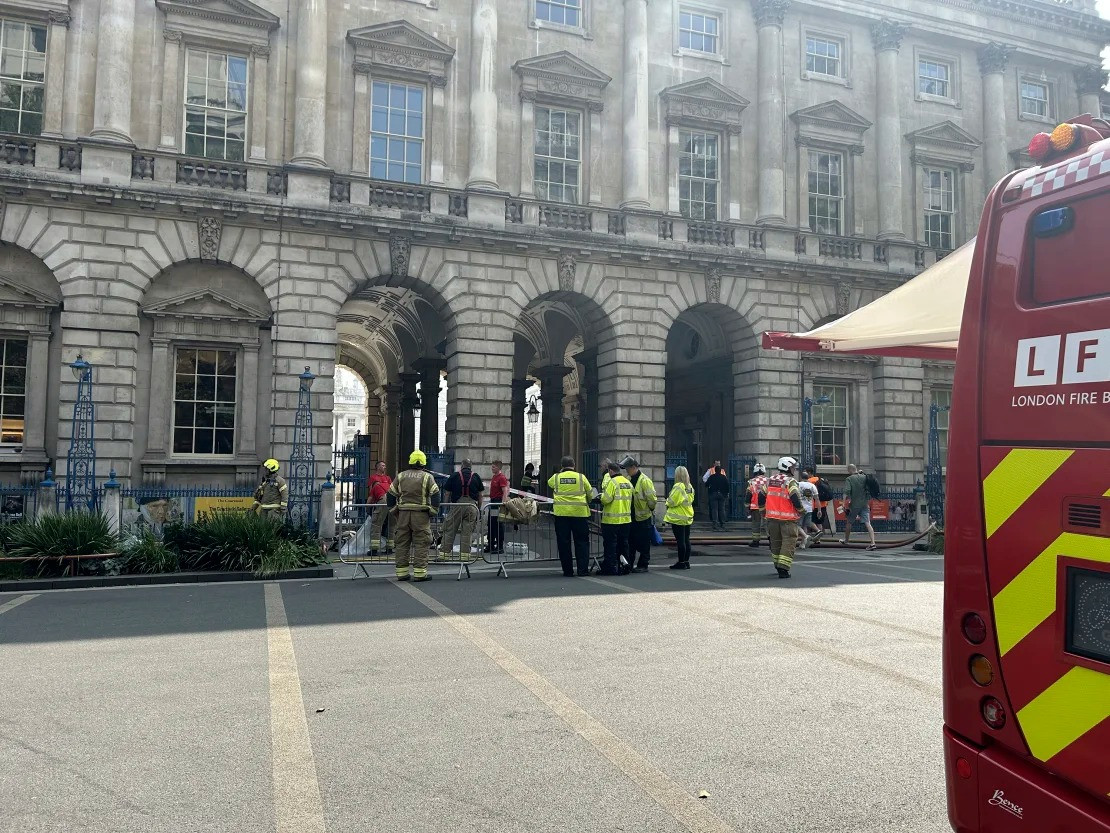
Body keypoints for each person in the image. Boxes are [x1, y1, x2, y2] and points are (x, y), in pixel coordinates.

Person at [386, 450, 441, 581]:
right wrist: (433, 511)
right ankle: (420, 573)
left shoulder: (401, 476)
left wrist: (394, 511)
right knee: (421, 543)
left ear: (410, 461)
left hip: (403, 514)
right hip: (420, 515)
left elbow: (390, 494)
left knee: (402, 543)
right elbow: (435, 494)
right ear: (423, 463)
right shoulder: (427, 477)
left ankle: (402, 573)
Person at [547, 456, 594, 577]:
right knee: (582, 542)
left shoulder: (556, 477)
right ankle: (582, 570)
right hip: (579, 514)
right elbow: (590, 493)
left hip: (562, 515)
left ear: (562, 466)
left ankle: (567, 571)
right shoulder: (581, 477)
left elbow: (549, 484)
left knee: (564, 543)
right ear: (574, 465)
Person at [763, 456, 805, 579]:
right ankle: (783, 569)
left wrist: (762, 511)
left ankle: (777, 565)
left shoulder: (770, 480)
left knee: (775, 543)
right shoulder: (790, 482)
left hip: (771, 518)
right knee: (788, 542)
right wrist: (801, 510)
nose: (794, 470)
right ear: (787, 467)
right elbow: (795, 498)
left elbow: (761, 495)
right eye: (793, 467)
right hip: (787, 520)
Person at [440, 458, 484, 559]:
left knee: (450, 528)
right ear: (470, 466)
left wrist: (446, 506)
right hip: (472, 506)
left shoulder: (455, 476)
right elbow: (480, 495)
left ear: (462, 465)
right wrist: (478, 508)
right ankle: (464, 556)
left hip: (457, 506)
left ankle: (444, 554)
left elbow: (447, 493)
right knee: (467, 531)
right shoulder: (476, 476)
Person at [622, 456, 658, 573]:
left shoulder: (644, 481)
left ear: (633, 467)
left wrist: (650, 509)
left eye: (627, 468)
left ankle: (643, 564)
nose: (626, 470)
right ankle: (630, 563)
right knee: (631, 542)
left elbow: (652, 499)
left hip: (643, 517)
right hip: (631, 517)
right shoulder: (629, 479)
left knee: (644, 543)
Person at [598, 461, 633, 575]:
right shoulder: (627, 482)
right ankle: (625, 565)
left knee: (610, 545)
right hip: (626, 520)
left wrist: (601, 496)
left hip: (611, 520)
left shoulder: (612, 483)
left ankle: (611, 567)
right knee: (623, 544)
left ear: (610, 471)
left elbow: (606, 499)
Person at [665, 465, 695, 569]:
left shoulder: (678, 486)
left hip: (678, 517)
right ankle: (686, 561)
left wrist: (667, 502)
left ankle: (681, 562)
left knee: (680, 541)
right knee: (686, 540)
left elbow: (673, 501)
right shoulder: (689, 486)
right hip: (687, 515)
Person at [842, 463, 877, 550]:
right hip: (865, 504)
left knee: (849, 522)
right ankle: (873, 543)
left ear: (850, 470)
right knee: (868, 523)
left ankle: (846, 540)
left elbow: (846, 491)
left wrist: (843, 503)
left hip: (854, 505)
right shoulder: (864, 477)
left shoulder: (849, 479)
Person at [367, 460, 393, 554]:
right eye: (382, 465)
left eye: (385, 465)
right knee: (390, 525)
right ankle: (387, 548)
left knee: (378, 525)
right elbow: (371, 494)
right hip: (387, 501)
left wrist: (367, 508)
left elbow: (370, 497)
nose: (384, 467)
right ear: (377, 467)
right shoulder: (373, 478)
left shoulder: (387, 478)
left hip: (385, 502)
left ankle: (375, 549)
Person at [485, 460, 509, 554]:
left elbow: (505, 491)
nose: (492, 468)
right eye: (492, 466)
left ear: (498, 468)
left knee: (498, 524)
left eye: (494, 467)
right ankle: (491, 545)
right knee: (491, 524)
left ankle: (499, 546)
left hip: (497, 502)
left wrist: (502, 504)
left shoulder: (501, 478)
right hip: (493, 502)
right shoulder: (494, 477)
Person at [796, 471, 821, 548]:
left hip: (800, 508)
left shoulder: (798, 484)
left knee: (796, 525)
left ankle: (805, 537)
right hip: (809, 508)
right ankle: (803, 544)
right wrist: (819, 510)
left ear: (801, 477)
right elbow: (817, 499)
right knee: (805, 526)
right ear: (808, 478)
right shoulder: (812, 486)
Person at [747, 462, 768, 547]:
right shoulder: (769, 480)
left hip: (755, 507)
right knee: (767, 524)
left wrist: (747, 506)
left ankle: (755, 541)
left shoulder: (751, 482)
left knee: (756, 524)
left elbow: (748, 494)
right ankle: (771, 541)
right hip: (767, 506)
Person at [705, 465, 729, 531]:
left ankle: (715, 523)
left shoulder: (711, 477)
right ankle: (722, 523)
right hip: (722, 494)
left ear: (715, 470)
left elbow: (706, 484)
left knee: (714, 509)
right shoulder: (724, 477)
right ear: (720, 470)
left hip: (713, 494)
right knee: (722, 509)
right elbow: (727, 486)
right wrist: (726, 494)